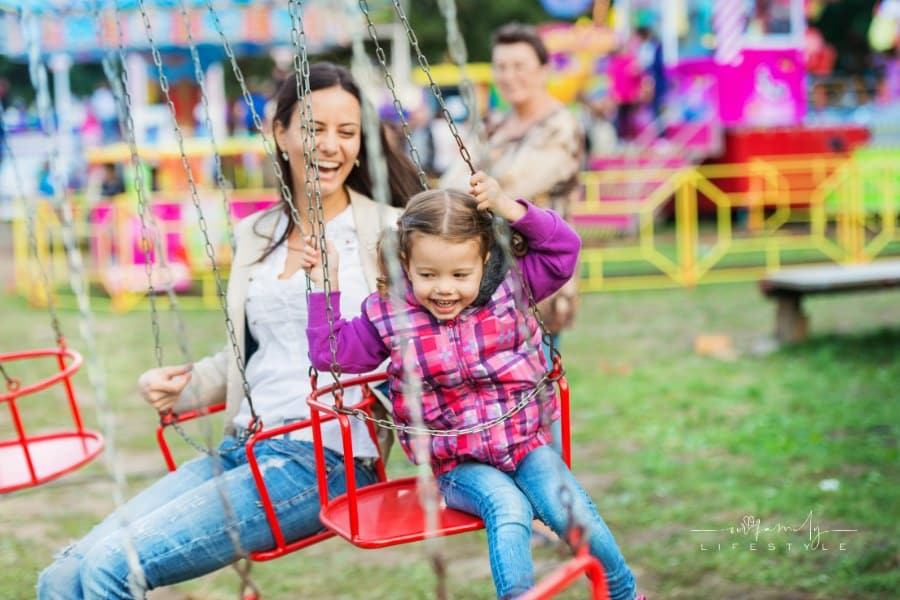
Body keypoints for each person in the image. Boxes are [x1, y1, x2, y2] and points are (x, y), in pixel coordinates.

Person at [36, 61, 422, 600]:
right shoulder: (256, 233)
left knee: (108, 569)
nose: (330, 145)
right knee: (62, 576)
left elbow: (441, 326)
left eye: (346, 132)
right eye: (313, 128)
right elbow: (255, 352)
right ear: (280, 132)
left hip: (327, 458)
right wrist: (185, 386)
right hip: (245, 446)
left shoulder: (391, 229)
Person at [303, 173, 640, 600]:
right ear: (404, 264)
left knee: (569, 507)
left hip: (525, 443)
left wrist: (507, 206)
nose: (445, 289)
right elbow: (331, 355)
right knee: (508, 507)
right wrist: (323, 283)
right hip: (458, 464)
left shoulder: (512, 288)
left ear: (485, 261)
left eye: (461, 274)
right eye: (428, 274)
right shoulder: (390, 316)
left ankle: (623, 592)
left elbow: (562, 250)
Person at [441, 22, 582, 454]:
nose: (509, 75)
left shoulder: (561, 125)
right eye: (501, 67)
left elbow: (516, 182)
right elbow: (450, 181)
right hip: (488, 285)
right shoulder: (497, 125)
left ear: (543, 68)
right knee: (499, 401)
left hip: (539, 282)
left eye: (520, 65)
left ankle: (555, 505)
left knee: (536, 401)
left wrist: (467, 187)